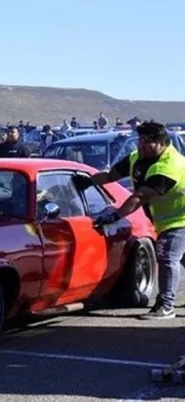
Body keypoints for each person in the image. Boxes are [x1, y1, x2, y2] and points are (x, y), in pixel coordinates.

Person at [92, 122, 185, 320]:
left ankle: (166, 306)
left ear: (162, 143)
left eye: (147, 142)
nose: (140, 146)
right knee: (181, 258)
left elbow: (140, 196)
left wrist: (115, 215)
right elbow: (110, 176)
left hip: (180, 219)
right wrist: (87, 180)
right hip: (167, 218)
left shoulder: (169, 165)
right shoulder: (138, 157)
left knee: (167, 257)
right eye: (139, 140)